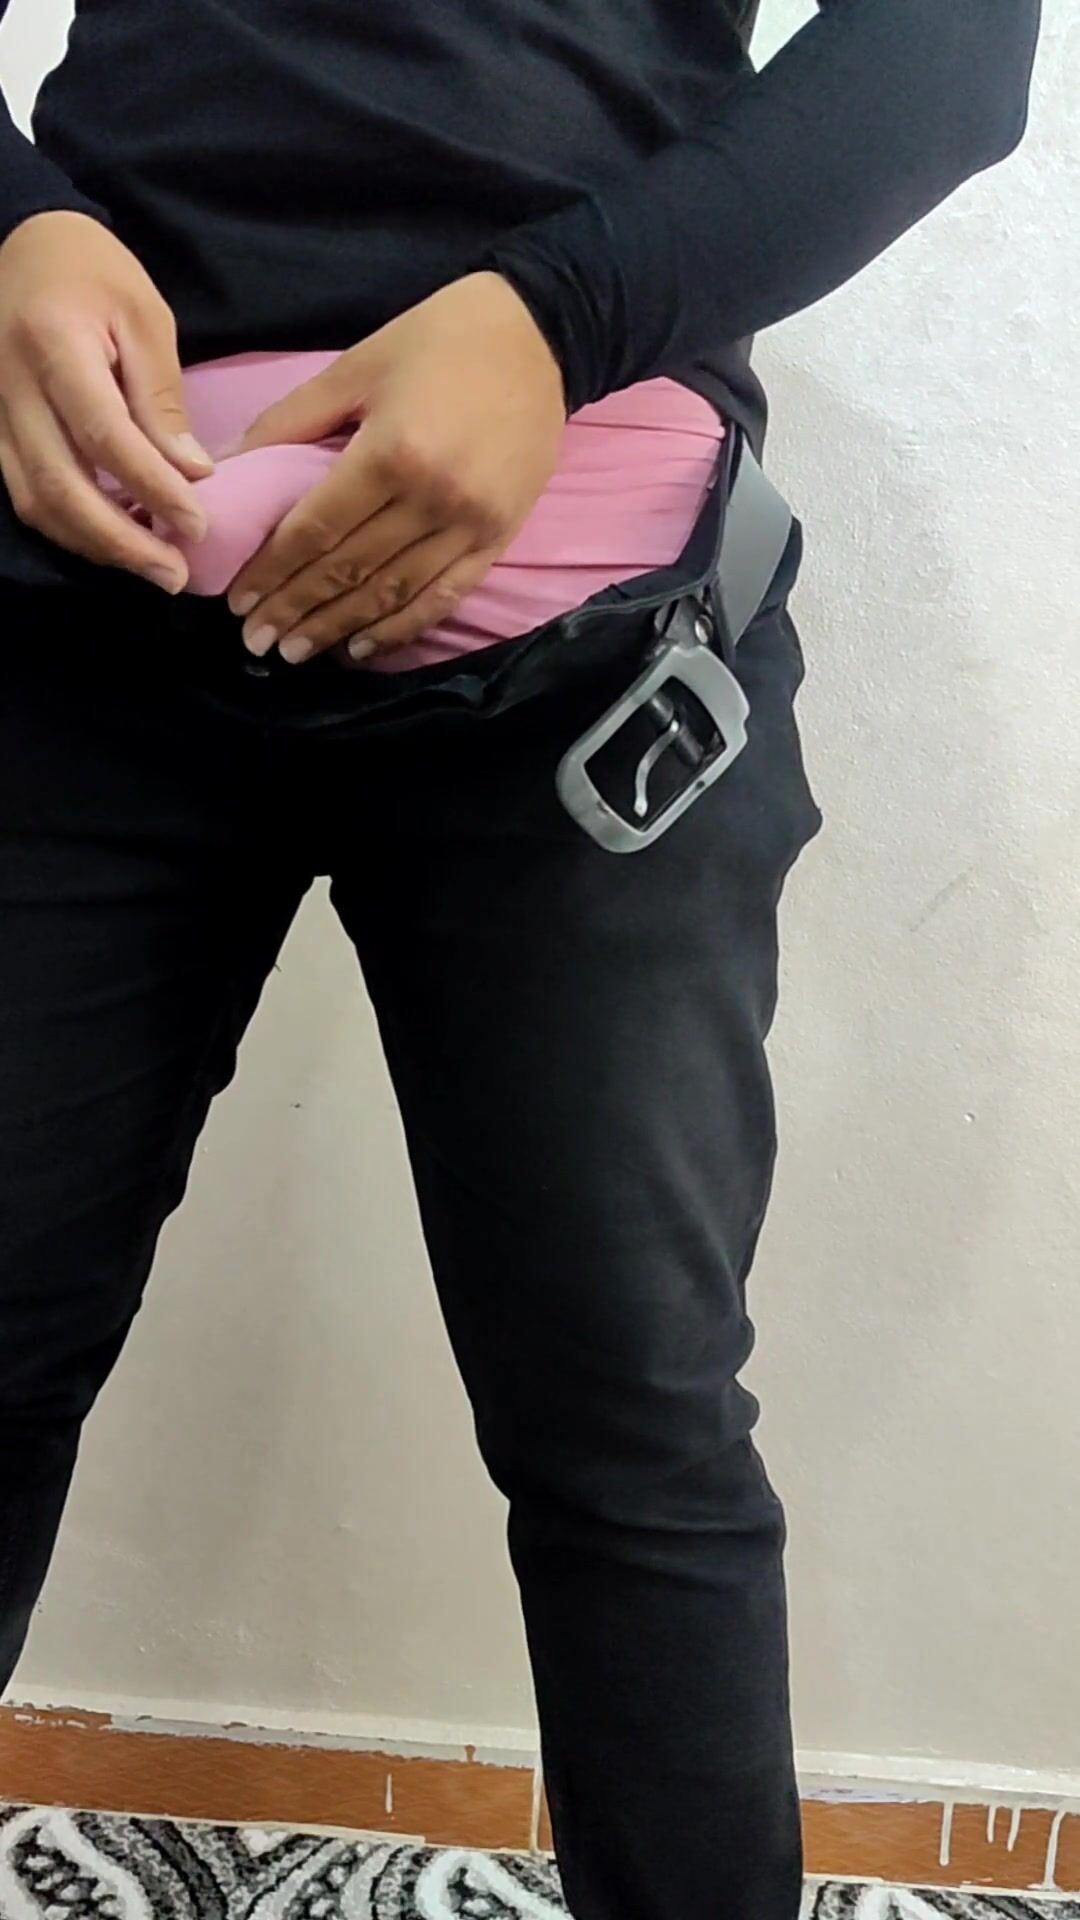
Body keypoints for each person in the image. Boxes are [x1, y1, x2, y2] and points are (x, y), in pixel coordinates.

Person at [0, 2, 1039, 1916]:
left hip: (595, 650)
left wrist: (550, 324)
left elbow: (949, 50)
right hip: (87, 586)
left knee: (628, 1428)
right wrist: (14, 224)